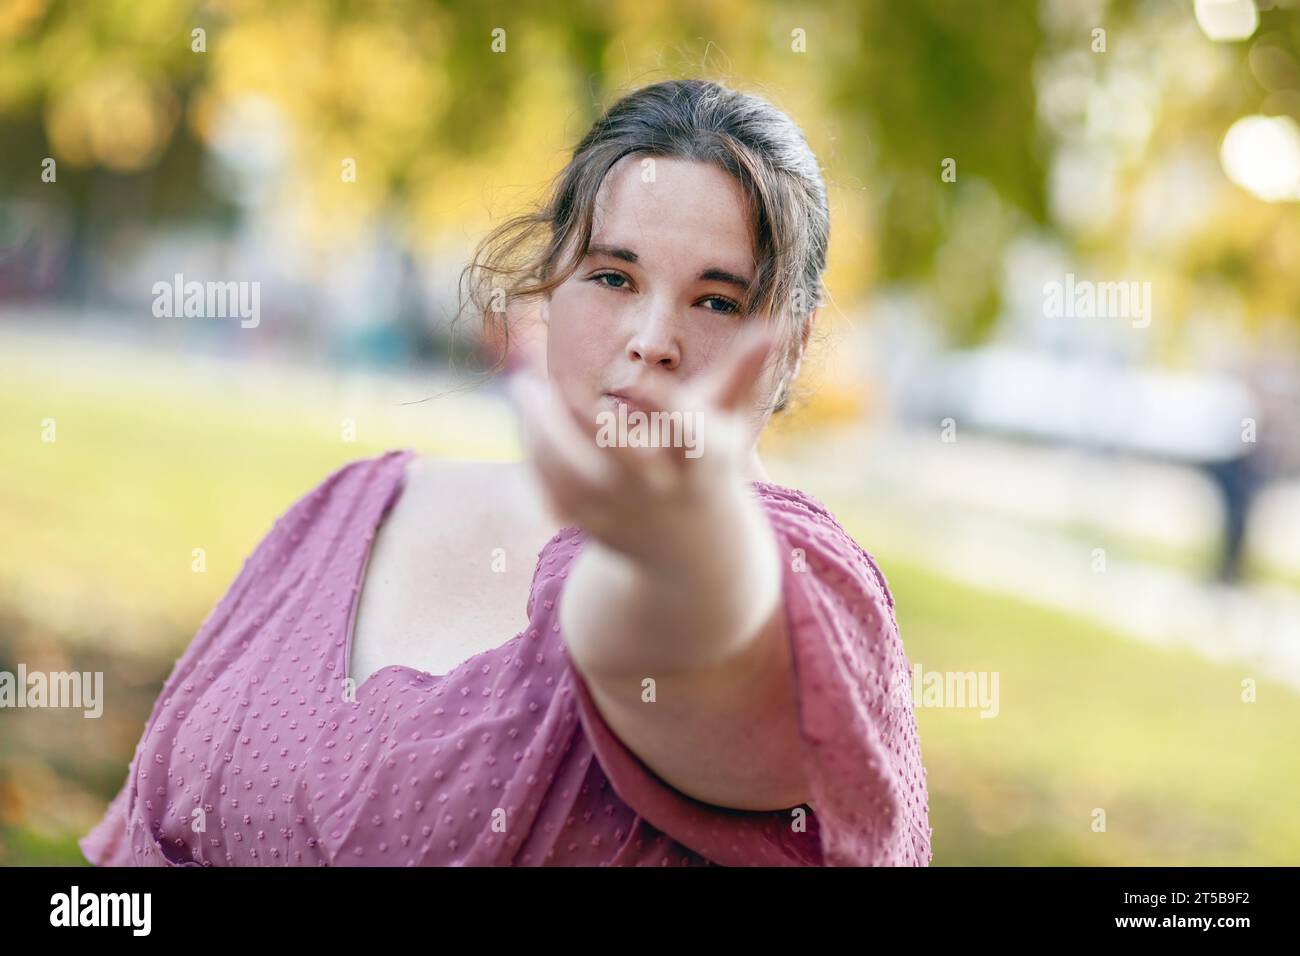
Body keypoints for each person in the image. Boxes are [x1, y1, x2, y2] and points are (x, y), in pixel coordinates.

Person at [79, 78, 931, 867]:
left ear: (796, 342)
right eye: (612, 276)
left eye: (718, 300)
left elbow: (689, 658)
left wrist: (675, 550)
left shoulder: (796, 577)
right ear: (550, 287)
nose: (653, 338)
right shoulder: (354, 504)